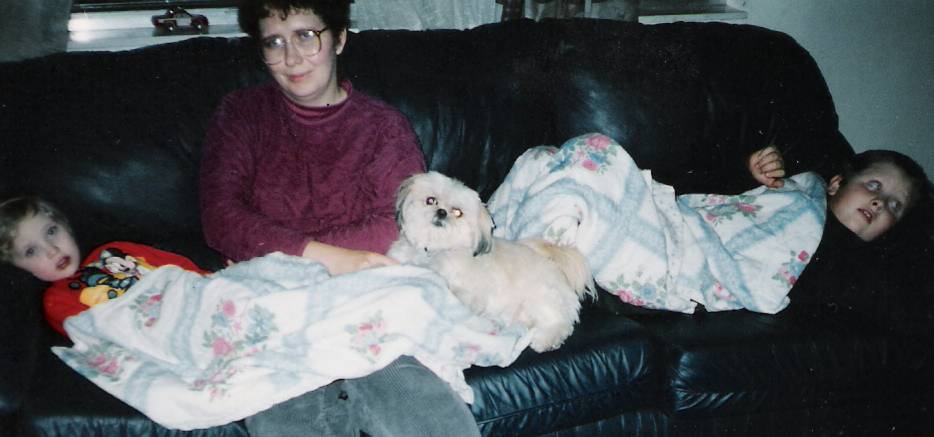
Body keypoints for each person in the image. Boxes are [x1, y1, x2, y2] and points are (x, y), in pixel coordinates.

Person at [198, 1, 481, 436]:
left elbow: (400, 220)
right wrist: (328, 257)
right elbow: (221, 218)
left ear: (339, 38)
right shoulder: (241, 115)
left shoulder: (383, 128)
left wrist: (288, 251)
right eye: (274, 42)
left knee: (437, 424)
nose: (292, 58)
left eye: (306, 36)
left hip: (367, 300)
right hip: (276, 310)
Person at [0, 196, 209, 336]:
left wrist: (210, 281)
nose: (51, 250)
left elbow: (177, 265)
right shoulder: (56, 301)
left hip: (195, 302)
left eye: (51, 232)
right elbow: (101, 337)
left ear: (65, 226)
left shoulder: (113, 249)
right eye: (31, 251)